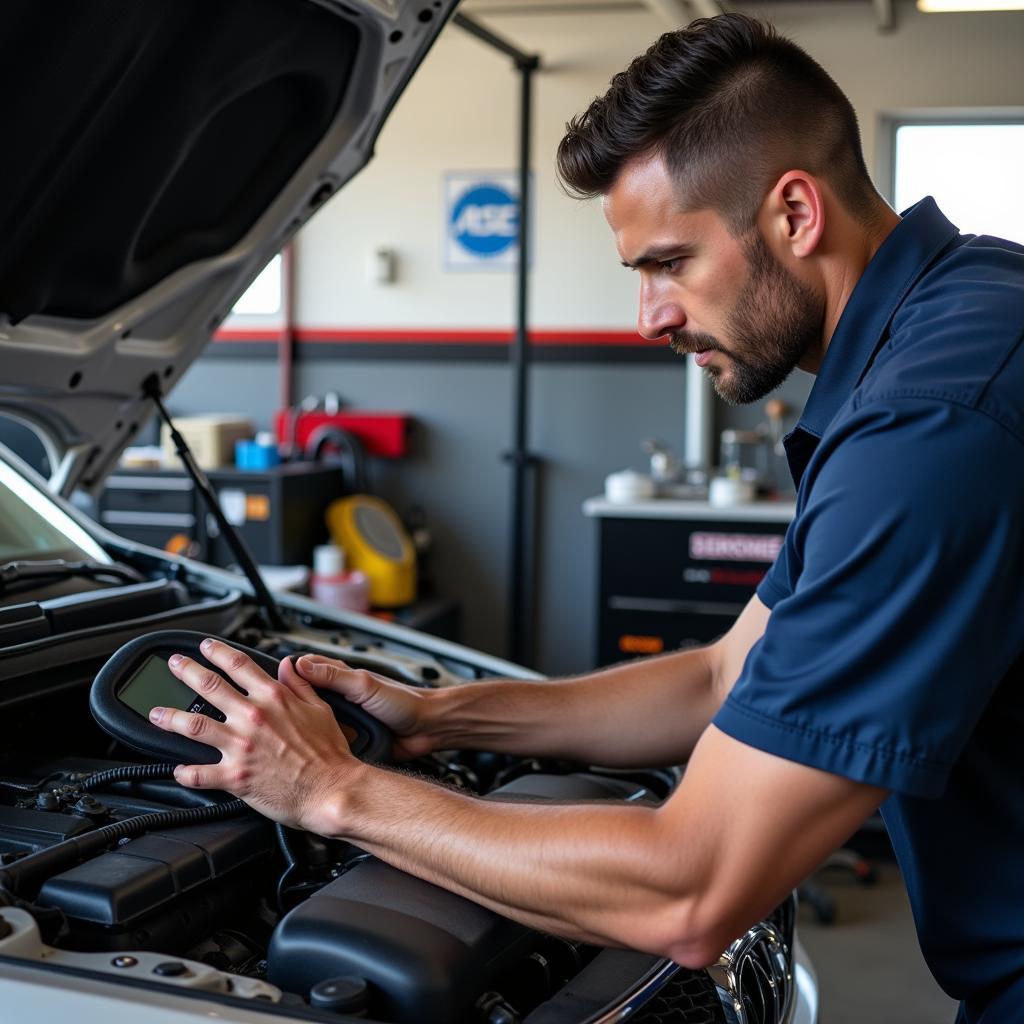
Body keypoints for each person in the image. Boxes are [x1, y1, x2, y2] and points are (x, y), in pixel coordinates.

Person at [150, 14, 1024, 1022]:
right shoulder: (953, 320)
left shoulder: (932, 425)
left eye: (670, 262)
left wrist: (329, 791)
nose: (648, 317)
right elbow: (721, 673)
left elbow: (691, 888)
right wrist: (440, 714)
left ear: (793, 213)